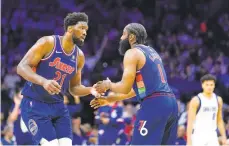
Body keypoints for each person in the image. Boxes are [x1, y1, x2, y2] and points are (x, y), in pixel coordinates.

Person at [17, 12, 99, 146]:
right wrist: (43, 81)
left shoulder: (79, 56)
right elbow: (21, 67)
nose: (85, 32)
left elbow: (74, 88)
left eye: (86, 30)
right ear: (70, 28)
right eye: (82, 28)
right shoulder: (48, 42)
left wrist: (91, 90)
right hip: (35, 104)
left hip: (58, 106)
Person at [90, 23, 178, 145]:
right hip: (171, 103)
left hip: (154, 104)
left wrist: (108, 85)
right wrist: (112, 98)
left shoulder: (132, 53)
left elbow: (125, 87)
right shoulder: (152, 52)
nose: (121, 38)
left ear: (131, 37)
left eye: (123, 34)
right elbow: (141, 89)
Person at [186, 74, 227, 146]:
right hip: (198, 135)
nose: (209, 87)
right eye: (207, 84)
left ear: (214, 85)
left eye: (211, 85)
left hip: (212, 135)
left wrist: (223, 136)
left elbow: (219, 120)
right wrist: (189, 140)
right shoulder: (196, 100)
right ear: (202, 85)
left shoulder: (218, 100)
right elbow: (190, 121)